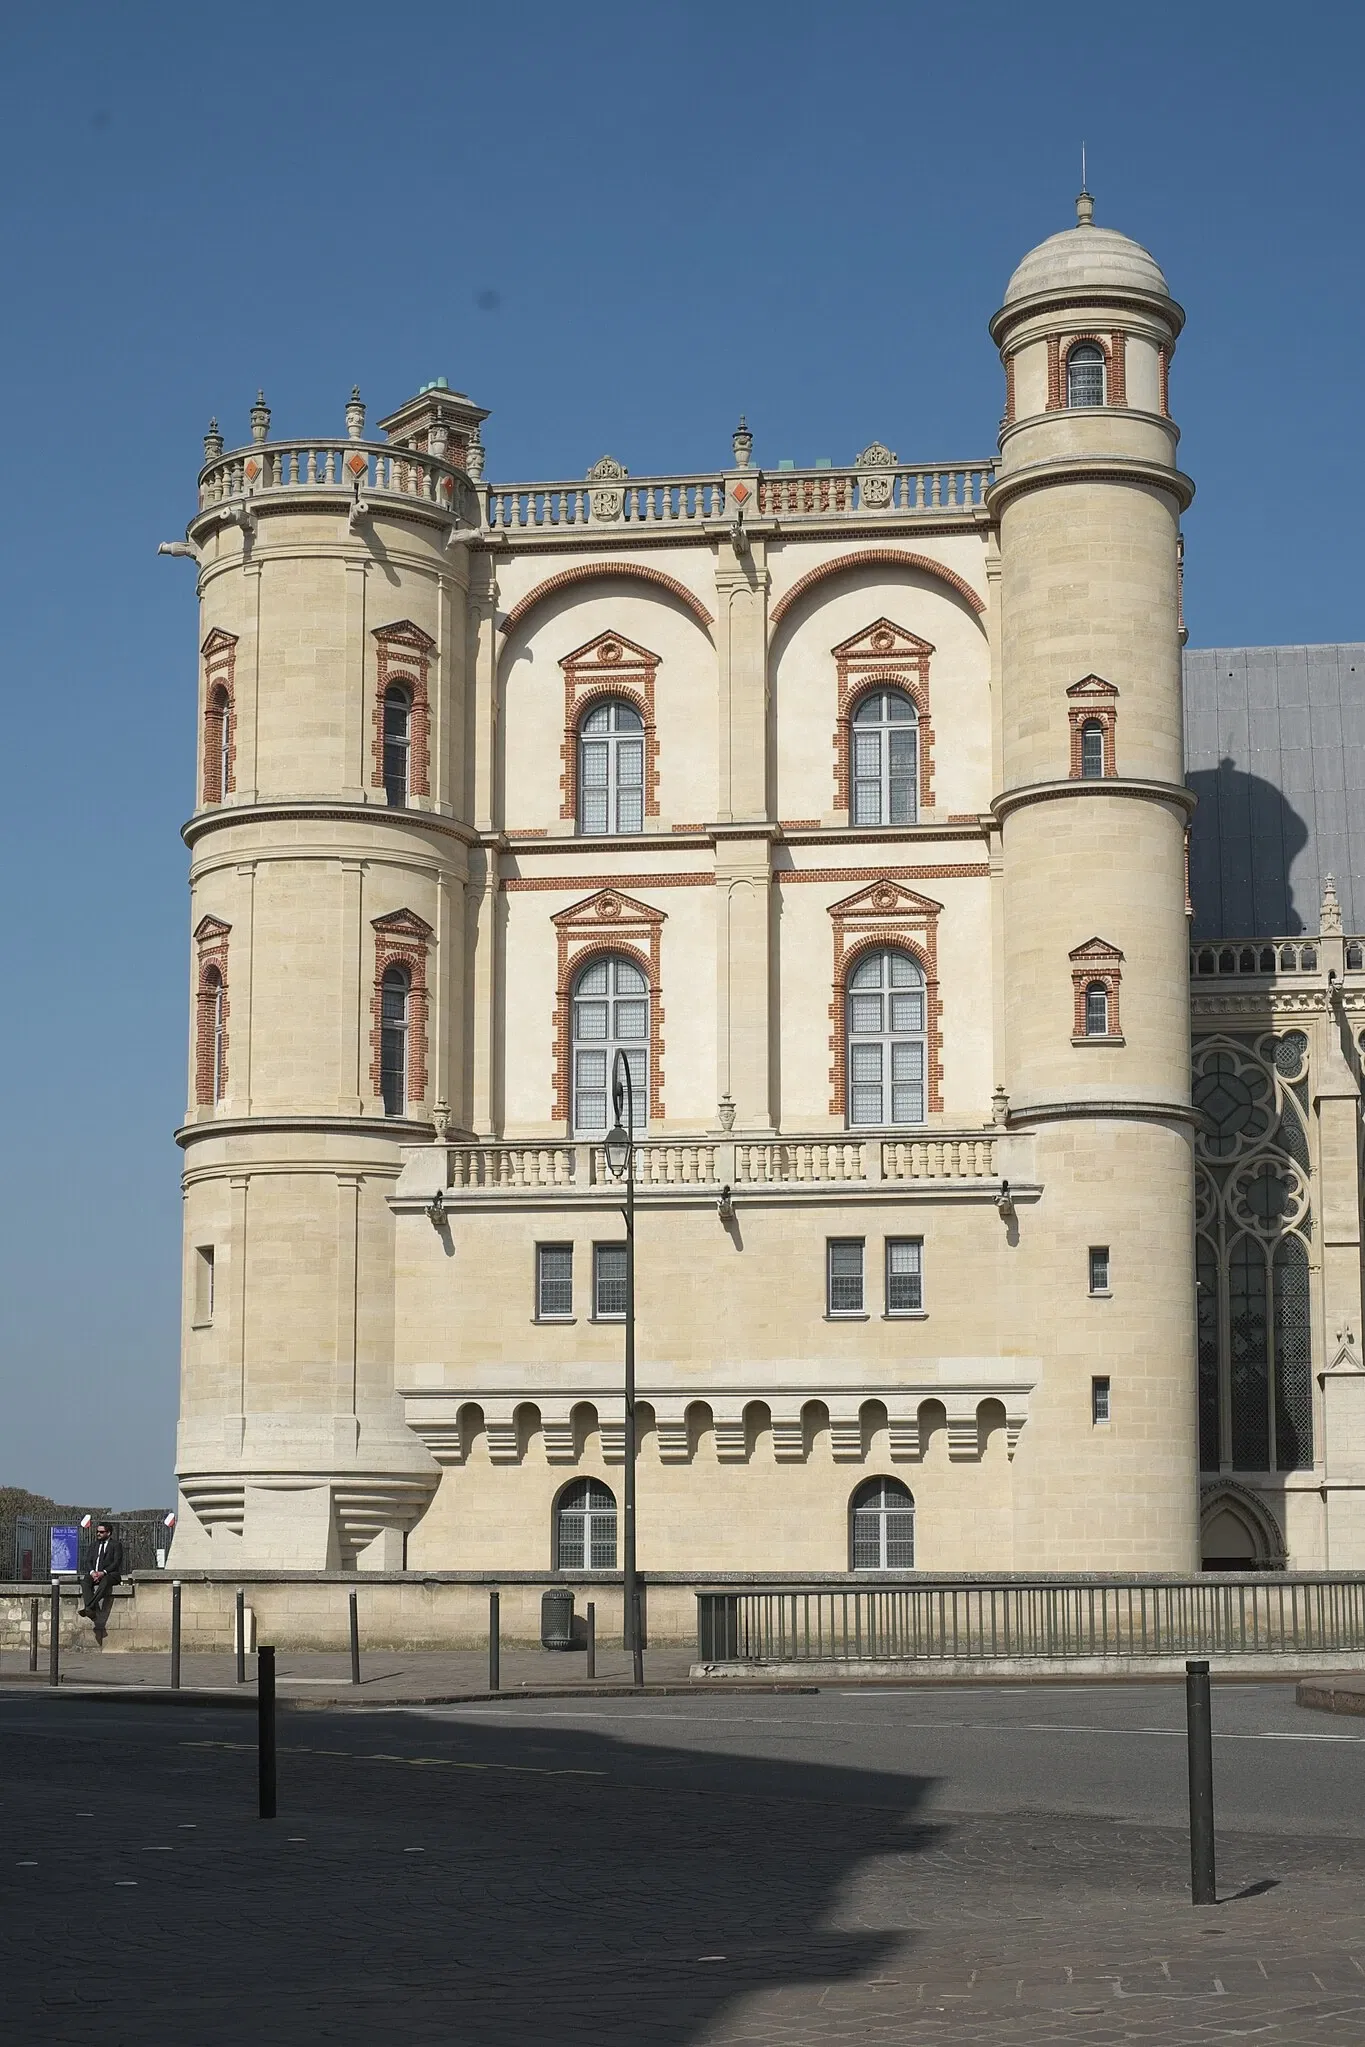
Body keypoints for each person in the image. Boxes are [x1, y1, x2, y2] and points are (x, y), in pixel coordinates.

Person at [79, 1521, 124, 1641]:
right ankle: (91, 1609)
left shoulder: (116, 1545)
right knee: (85, 1581)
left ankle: (89, 1607)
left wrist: (103, 1572)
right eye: (97, 1531)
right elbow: (88, 1560)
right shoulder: (94, 1545)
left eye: (101, 1532)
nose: (98, 1534)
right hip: (95, 1573)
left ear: (108, 1533)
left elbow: (116, 1562)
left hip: (110, 1574)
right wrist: (92, 1572)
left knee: (105, 1582)